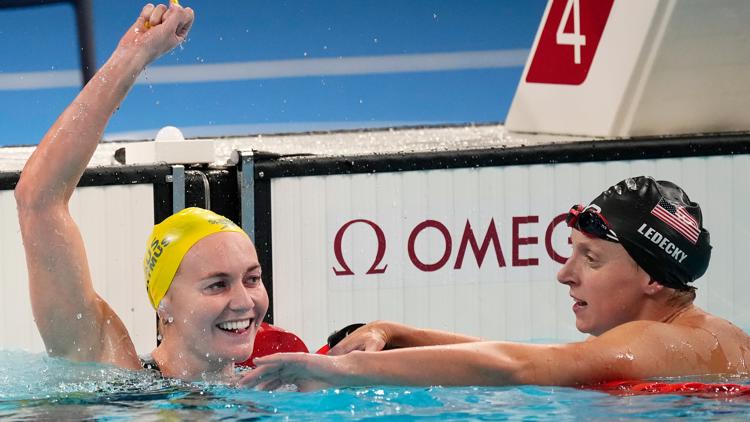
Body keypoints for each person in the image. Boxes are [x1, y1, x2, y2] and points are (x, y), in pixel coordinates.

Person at [242, 176, 750, 391]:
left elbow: (519, 367)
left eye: (590, 259)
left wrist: (345, 371)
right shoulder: (691, 338)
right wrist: (394, 331)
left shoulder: (652, 346)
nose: (564, 273)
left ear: (652, 278)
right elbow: (533, 355)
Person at [14, 3, 270, 382]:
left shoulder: (279, 377)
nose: (244, 302)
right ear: (164, 304)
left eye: (252, 278)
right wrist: (133, 56)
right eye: (217, 284)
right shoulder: (116, 374)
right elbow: (38, 198)